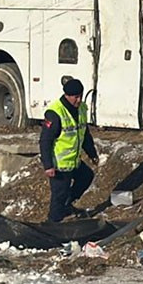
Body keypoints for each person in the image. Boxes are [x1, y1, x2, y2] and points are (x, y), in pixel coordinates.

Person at [40, 79, 99, 222]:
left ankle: (67, 205)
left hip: (74, 161)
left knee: (86, 177)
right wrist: (48, 165)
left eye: (80, 96)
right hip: (59, 165)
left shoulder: (82, 109)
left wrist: (92, 154)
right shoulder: (55, 113)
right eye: (75, 97)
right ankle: (53, 224)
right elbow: (45, 141)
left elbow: (84, 134)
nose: (78, 100)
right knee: (59, 196)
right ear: (67, 95)